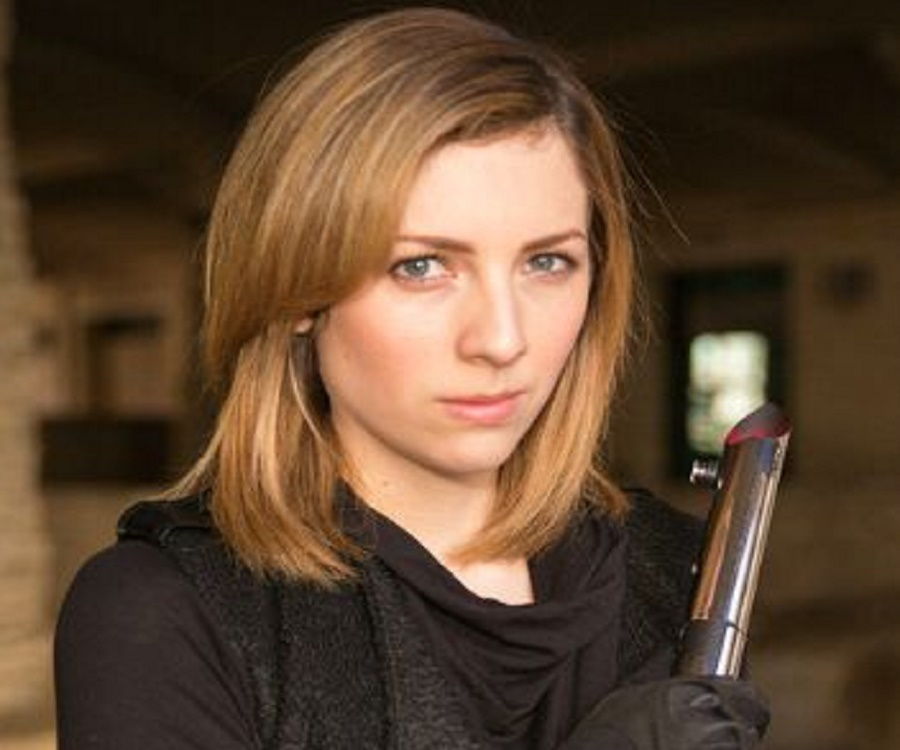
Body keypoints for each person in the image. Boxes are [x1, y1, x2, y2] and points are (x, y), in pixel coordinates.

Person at [54, 8, 768, 749]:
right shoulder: (164, 613)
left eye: (547, 262)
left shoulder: (677, 571)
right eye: (421, 266)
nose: (501, 339)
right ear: (296, 291)